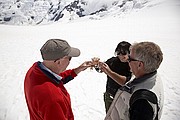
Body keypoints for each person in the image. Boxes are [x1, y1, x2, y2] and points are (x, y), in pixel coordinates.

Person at [24, 39, 92, 120]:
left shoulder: (34, 71)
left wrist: (78, 69)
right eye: (69, 58)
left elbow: (56, 79)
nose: (70, 61)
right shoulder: (52, 98)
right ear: (58, 62)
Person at [99, 41, 164, 120]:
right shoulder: (151, 76)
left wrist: (109, 72)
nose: (127, 61)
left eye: (130, 59)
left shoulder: (142, 102)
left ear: (140, 64)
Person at [101, 41, 132, 113]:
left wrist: (109, 72)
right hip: (110, 96)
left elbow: (125, 82)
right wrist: (98, 66)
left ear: (129, 53)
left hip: (124, 99)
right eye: (118, 53)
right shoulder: (113, 61)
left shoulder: (132, 65)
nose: (121, 56)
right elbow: (102, 69)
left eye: (124, 53)